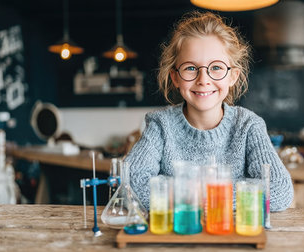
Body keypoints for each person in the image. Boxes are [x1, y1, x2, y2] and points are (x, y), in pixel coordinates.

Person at [125, 11, 293, 212]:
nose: (203, 80)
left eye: (216, 68)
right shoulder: (161, 125)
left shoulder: (248, 125)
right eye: (190, 68)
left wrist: (176, 190)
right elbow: (129, 183)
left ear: (233, 77)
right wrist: (239, 188)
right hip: (176, 239)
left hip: (232, 239)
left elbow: (279, 191)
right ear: (175, 77)